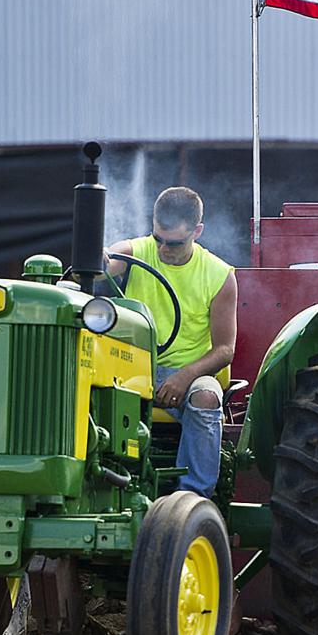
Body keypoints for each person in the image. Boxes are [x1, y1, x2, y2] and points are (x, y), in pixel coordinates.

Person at [105, 186, 237, 497]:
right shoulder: (136, 252)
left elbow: (224, 350)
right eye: (158, 239)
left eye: (174, 243)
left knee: (205, 397)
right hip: (134, 369)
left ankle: (193, 497)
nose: (164, 249)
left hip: (191, 374)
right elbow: (108, 259)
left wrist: (183, 377)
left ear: (197, 231)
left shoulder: (219, 276)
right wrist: (97, 258)